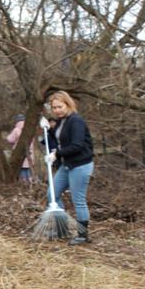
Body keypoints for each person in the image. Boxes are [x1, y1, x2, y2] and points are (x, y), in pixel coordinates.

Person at [45, 91, 94, 244]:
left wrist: (57, 154)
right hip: (67, 164)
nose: (57, 110)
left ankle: (82, 235)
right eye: (54, 108)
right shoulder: (61, 121)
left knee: (78, 200)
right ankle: (62, 229)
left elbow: (77, 145)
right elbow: (61, 139)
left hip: (80, 164)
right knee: (52, 195)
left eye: (60, 106)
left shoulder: (76, 121)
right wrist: (49, 129)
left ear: (68, 104)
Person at [5, 113, 33, 184]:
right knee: (28, 168)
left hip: (20, 152)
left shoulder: (16, 130)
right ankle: (30, 181)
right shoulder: (30, 129)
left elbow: (10, 139)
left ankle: (24, 182)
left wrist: (7, 139)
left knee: (22, 168)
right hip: (30, 152)